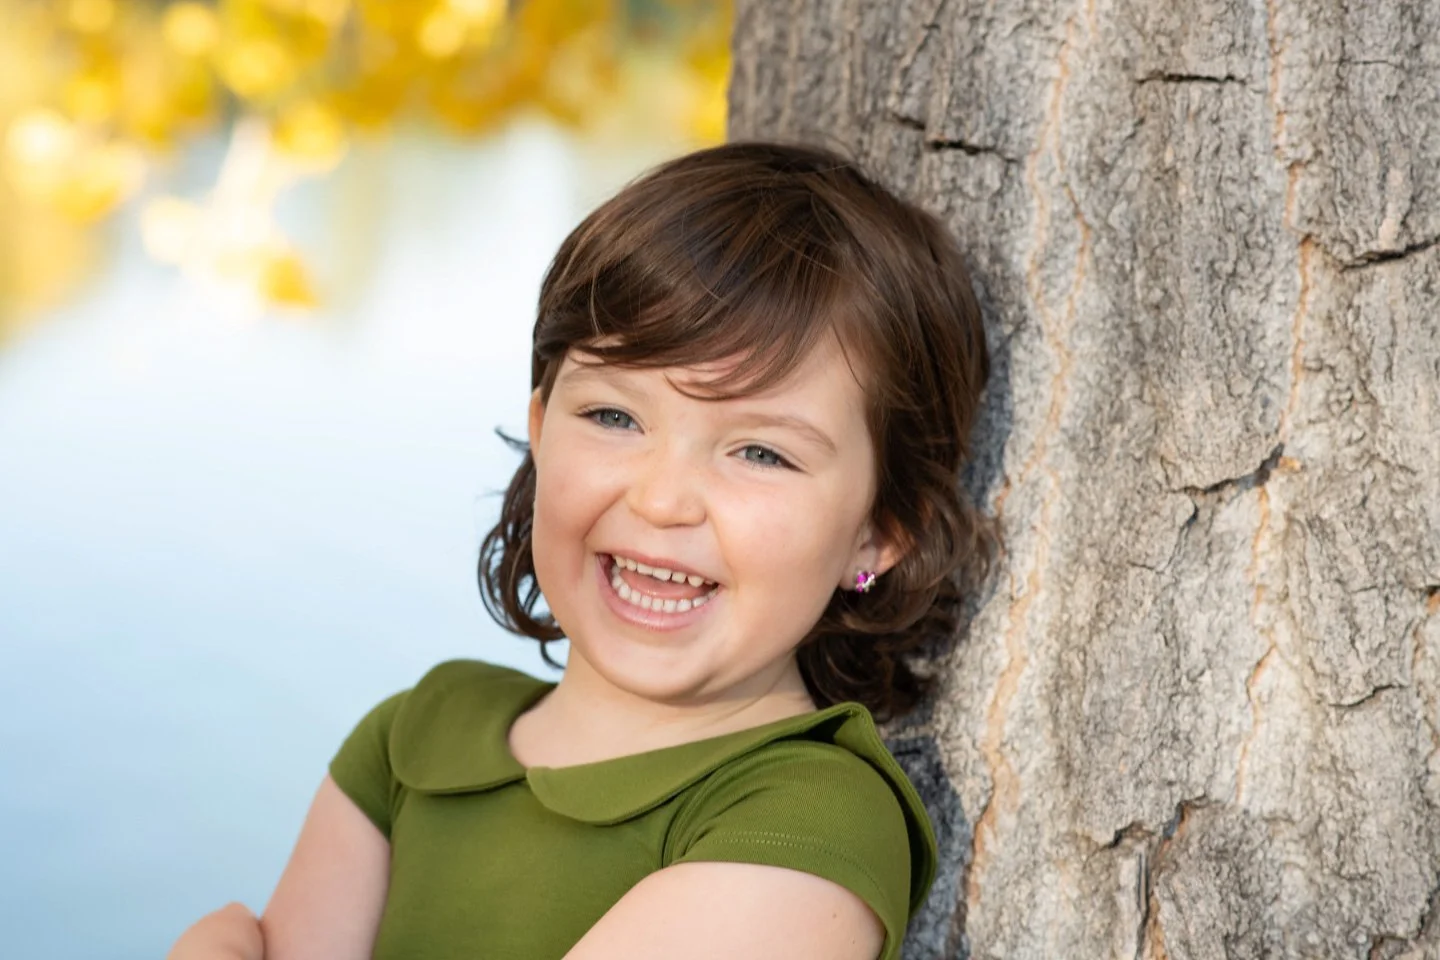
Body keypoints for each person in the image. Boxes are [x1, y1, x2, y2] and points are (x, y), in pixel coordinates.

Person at [167, 139, 993, 960]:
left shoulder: (809, 820)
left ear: (882, 530)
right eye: (613, 417)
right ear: (540, 433)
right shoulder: (414, 741)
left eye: (762, 453)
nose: (661, 500)